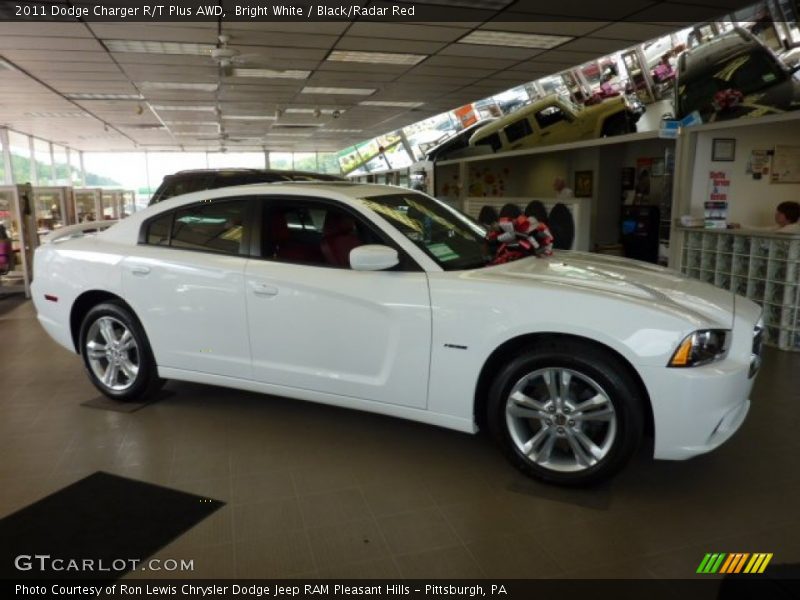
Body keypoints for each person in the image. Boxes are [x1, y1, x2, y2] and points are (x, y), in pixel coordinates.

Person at [730, 201, 800, 233]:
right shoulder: (779, 227)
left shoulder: (792, 229)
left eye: (780, 213)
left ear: (790, 214)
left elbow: (767, 237)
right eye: (777, 212)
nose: (776, 214)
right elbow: (761, 230)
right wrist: (740, 226)